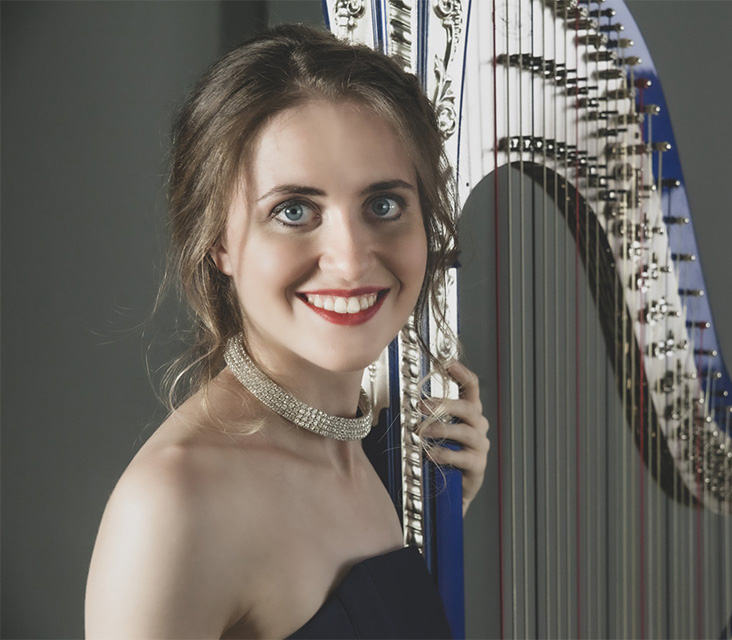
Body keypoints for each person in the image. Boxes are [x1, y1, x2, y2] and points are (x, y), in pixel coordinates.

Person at [84, 24, 490, 638]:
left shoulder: (379, 456)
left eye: (384, 205)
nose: (350, 261)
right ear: (217, 240)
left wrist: (439, 522)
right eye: (293, 211)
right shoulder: (175, 505)